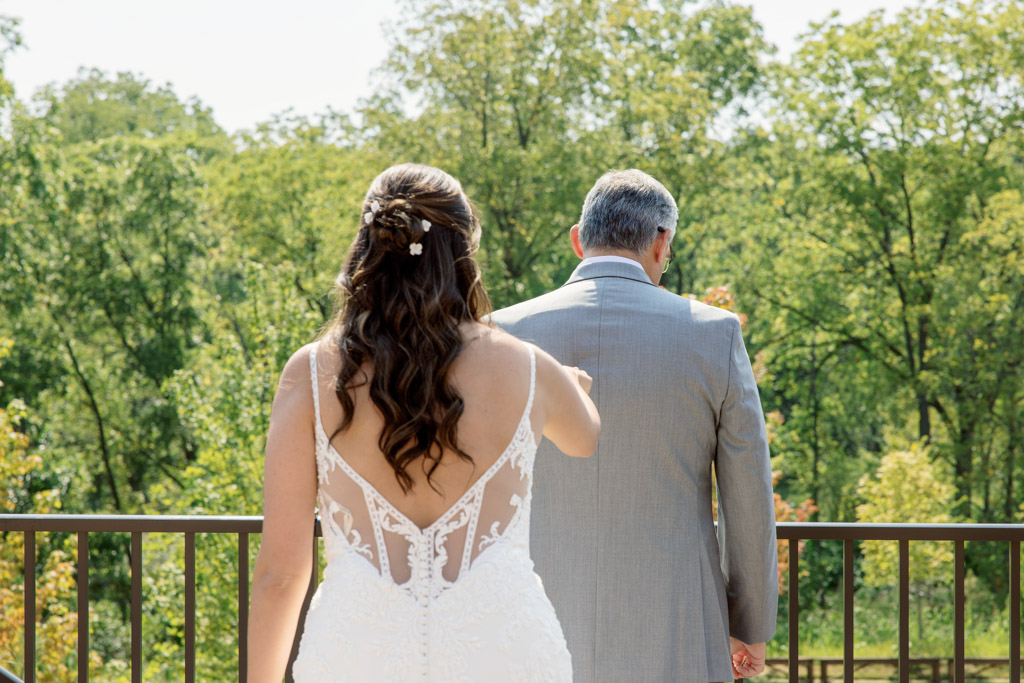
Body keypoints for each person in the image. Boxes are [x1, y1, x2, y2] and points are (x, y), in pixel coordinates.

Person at [247, 163, 600, 682]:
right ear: (464, 252)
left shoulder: (311, 373)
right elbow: (584, 438)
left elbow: (281, 575)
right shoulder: (528, 367)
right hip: (503, 651)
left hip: (356, 654)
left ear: (368, 247)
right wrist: (571, 385)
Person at [491, 169, 778, 683]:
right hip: (677, 619)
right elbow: (747, 493)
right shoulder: (715, 333)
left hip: (532, 617)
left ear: (579, 240)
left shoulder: (502, 332)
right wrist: (749, 623)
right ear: (661, 241)